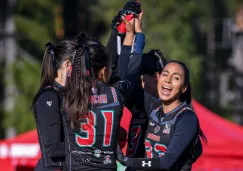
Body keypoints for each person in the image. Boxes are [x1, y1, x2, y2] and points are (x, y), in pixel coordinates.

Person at [61, 13, 145, 171]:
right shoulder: (115, 93)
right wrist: (137, 35)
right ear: (104, 71)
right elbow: (132, 68)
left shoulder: (67, 94)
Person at [117, 60, 206, 171]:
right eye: (165, 74)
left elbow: (166, 162)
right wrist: (133, 43)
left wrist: (126, 161)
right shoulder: (154, 107)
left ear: (184, 88)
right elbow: (124, 80)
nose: (168, 80)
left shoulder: (187, 118)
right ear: (158, 78)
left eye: (176, 78)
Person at [32, 41, 78, 171]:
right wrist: (87, 146)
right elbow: (52, 148)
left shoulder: (68, 94)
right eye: (80, 66)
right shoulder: (48, 96)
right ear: (68, 65)